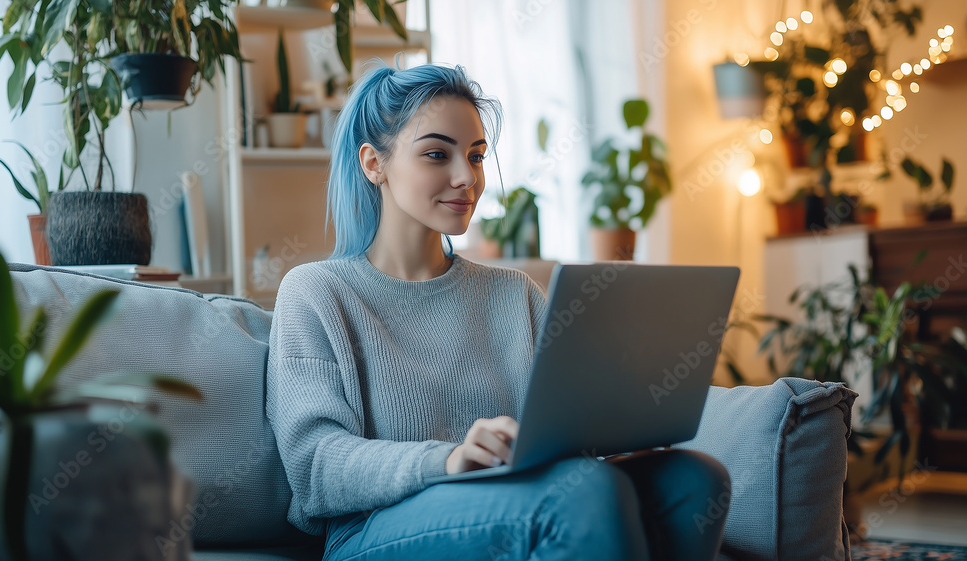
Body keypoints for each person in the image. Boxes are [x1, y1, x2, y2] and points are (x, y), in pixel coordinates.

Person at [266, 62, 730, 560]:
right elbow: (315, 466)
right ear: (373, 164)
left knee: (695, 480)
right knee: (583, 493)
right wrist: (450, 459)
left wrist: (620, 432)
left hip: (515, 498)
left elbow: (557, 433)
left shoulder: (514, 293)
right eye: (437, 154)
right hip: (373, 530)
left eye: (476, 155)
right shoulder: (316, 293)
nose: (466, 177)